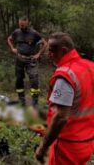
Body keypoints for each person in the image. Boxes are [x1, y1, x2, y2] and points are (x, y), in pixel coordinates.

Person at [35, 32, 94, 164]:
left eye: (51, 50)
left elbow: (61, 117)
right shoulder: (90, 66)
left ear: (63, 51)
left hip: (67, 145)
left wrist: (43, 147)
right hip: (87, 141)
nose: (48, 54)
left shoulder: (65, 75)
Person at [7, 16, 47, 107]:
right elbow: (9, 39)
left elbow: (44, 43)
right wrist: (12, 48)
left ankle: (35, 103)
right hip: (19, 59)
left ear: (27, 23)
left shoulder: (34, 33)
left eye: (23, 25)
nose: (21, 26)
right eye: (20, 25)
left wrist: (38, 54)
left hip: (31, 60)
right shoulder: (16, 32)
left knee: (34, 80)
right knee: (19, 79)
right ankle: (22, 101)